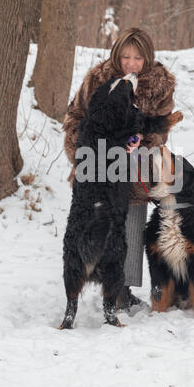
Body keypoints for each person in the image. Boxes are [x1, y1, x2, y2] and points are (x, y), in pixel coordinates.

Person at [63, 27, 176, 312]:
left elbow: (161, 128)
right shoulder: (98, 79)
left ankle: (122, 289)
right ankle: (85, 278)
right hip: (95, 166)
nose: (131, 63)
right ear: (117, 55)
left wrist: (142, 141)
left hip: (134, 166)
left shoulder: (159, 85)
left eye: (137, 58)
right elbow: (74, 115)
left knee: (131, 225)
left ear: (147, 58)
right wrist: (84, 149)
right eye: (125, 56)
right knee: (92, 223)